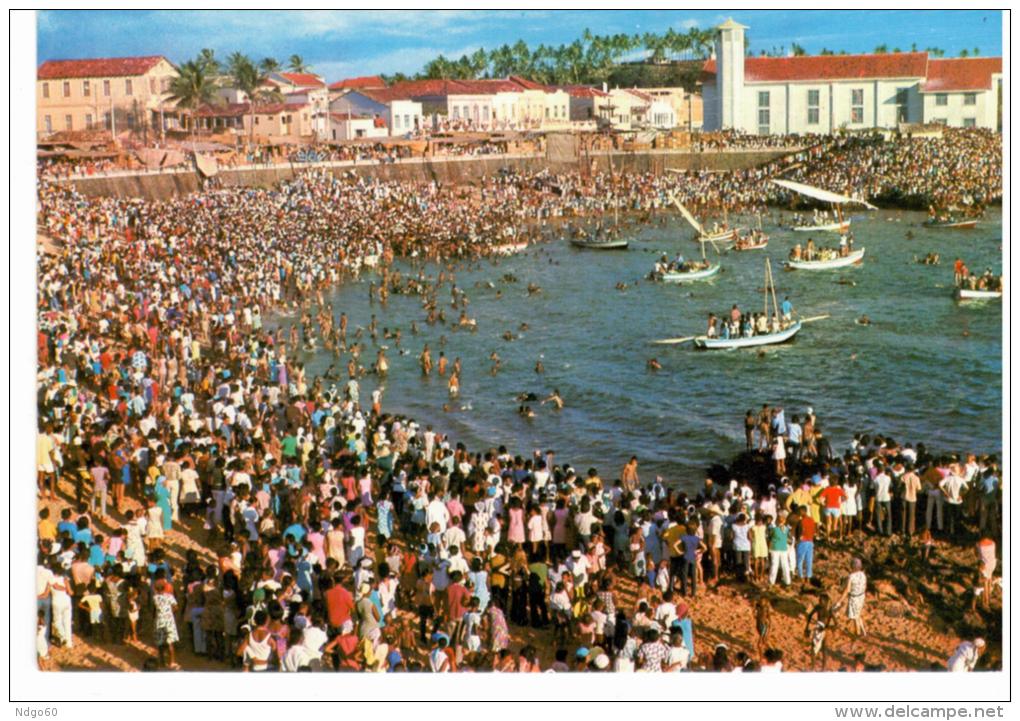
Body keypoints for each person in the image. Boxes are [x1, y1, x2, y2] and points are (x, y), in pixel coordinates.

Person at [838, 558, 868, 640]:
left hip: (854, 598)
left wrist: (840, 601)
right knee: (858, 613)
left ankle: (857, 634)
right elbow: (865, 586)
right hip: (861, 596)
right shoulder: (863, 574)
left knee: (855, 617)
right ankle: (863, 631)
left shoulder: (851, 577)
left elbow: (847, 590)